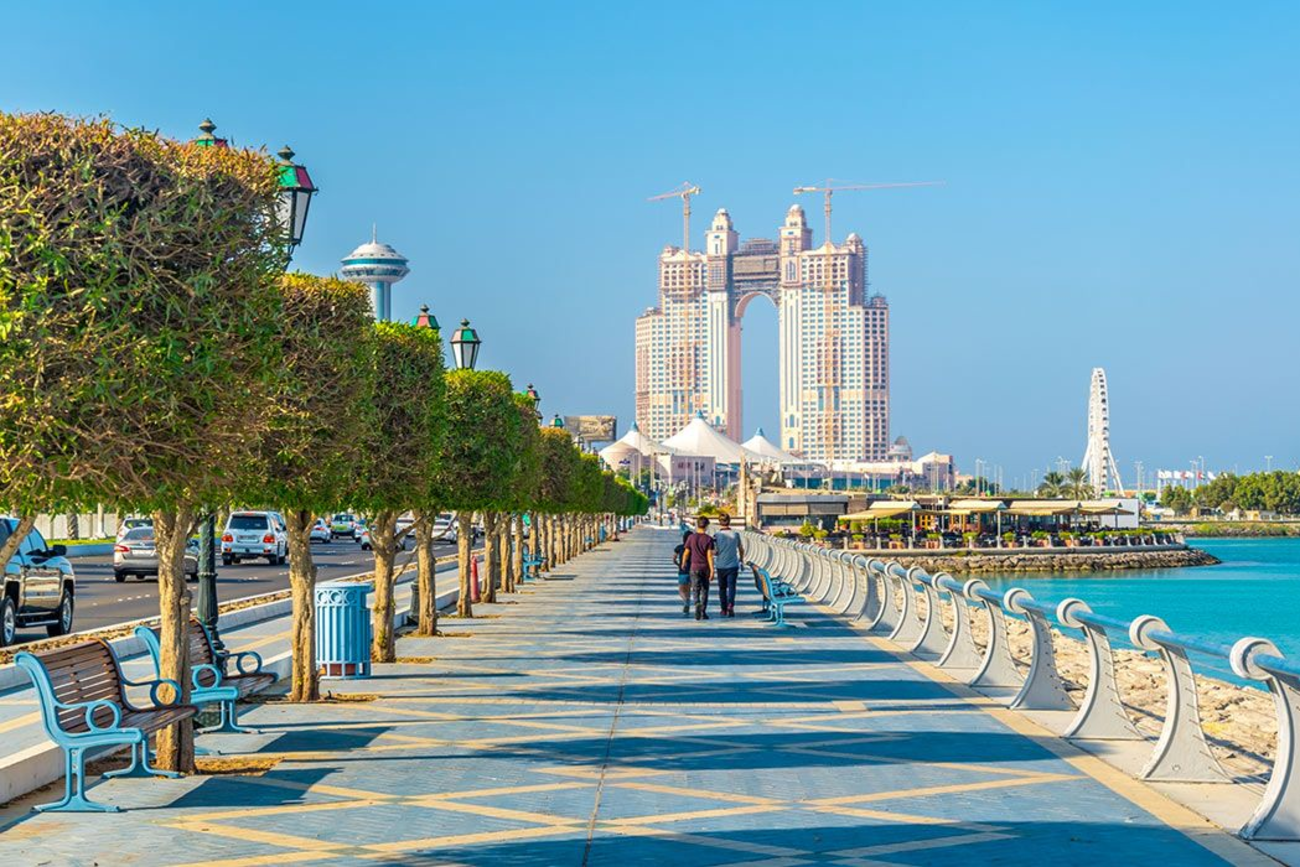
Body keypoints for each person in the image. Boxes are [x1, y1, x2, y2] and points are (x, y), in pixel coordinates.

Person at [680, 515, 715, 621]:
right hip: (705, 568)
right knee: (705, 590)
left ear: (697, 525)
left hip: (694, 567)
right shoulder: (709, 539)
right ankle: (703, 612)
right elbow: (710, 556)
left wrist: (683, 562)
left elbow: (686, 552)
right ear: (707, 526)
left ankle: (696, 603)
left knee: (695, 588)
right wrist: (712, 570)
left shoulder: (691, 538)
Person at [712, 514, 745, 618]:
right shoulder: (735, 534)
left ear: (719, 522)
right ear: (729, 521)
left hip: (721, 565)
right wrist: (741, 559)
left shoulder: (716, 535)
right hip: (733, 565)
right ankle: (731, 604)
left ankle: (723, 609)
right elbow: (741, 549)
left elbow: (716, 551)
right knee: (731, 587)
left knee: (722, 588)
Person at [672, 530, 692, 615]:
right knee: (688, 589)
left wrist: (678, 564)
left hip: (682, 571)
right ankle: (688, 601)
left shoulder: (679, 547)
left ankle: (686, 601)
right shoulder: (693, 548)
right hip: (692, 571)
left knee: (681, 590)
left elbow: (674, 558)